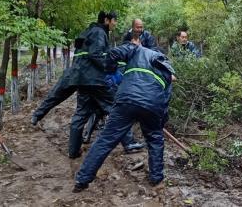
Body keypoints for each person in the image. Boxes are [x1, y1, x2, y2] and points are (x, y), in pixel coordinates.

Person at [30, 11, 143, 157]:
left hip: (82, 80)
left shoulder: (88, 32)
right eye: (115, 21)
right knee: (117, 108)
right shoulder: (99, 32)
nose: (116, 24)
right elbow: (96, 55)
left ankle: (73, 150)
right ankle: (129, 143)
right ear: (107, 20)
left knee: (81, 114)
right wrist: (111, 68)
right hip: (95, 80)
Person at [73, 35, 176, 192]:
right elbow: (165, 100)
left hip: (127, 100)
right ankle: (156, 179)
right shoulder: (167, 68)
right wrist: (159, 123)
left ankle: (82, 179)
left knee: (106, 139)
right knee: (155, 140)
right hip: (153, 105)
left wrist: (111, 71)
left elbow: (113, 54)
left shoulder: (137, 50)